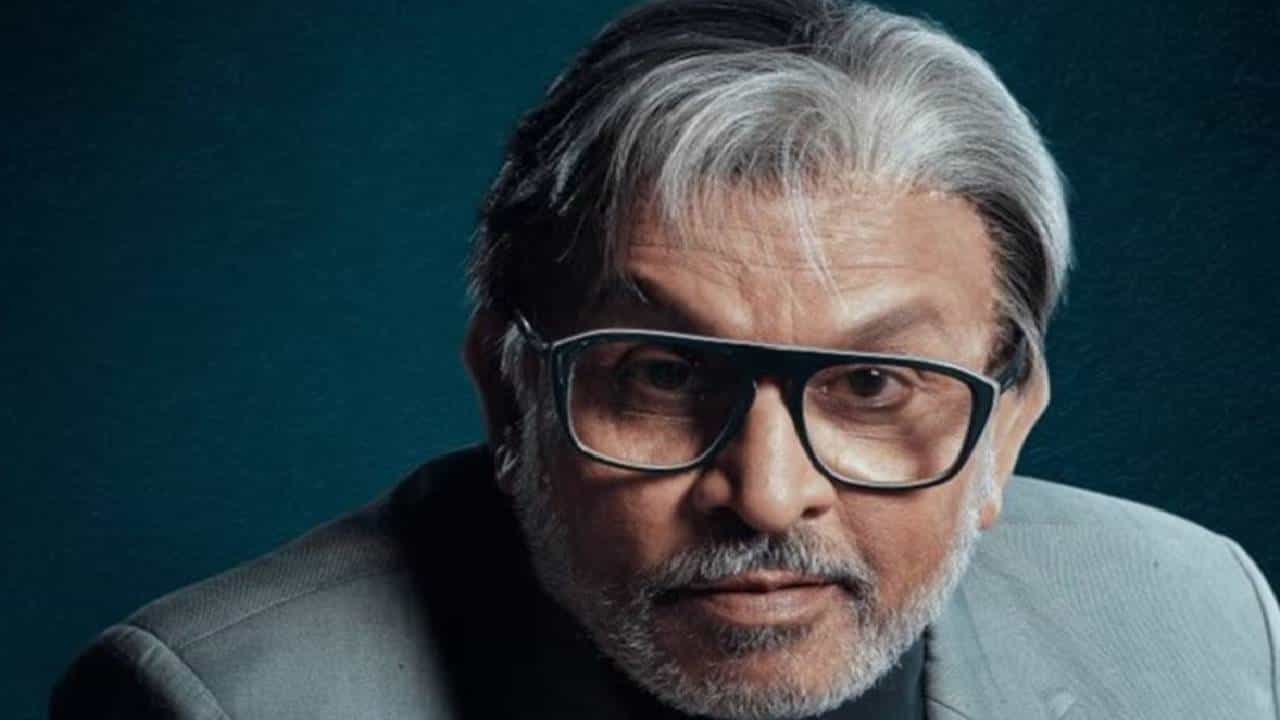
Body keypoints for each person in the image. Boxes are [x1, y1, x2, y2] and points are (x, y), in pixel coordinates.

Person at [50, 0, 1278, 718]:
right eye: (664, 374)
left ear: (1006, 423)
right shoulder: (213, 700)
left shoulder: (1203, 620)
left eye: (869, 384)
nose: (765, 495)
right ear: (509, 393)